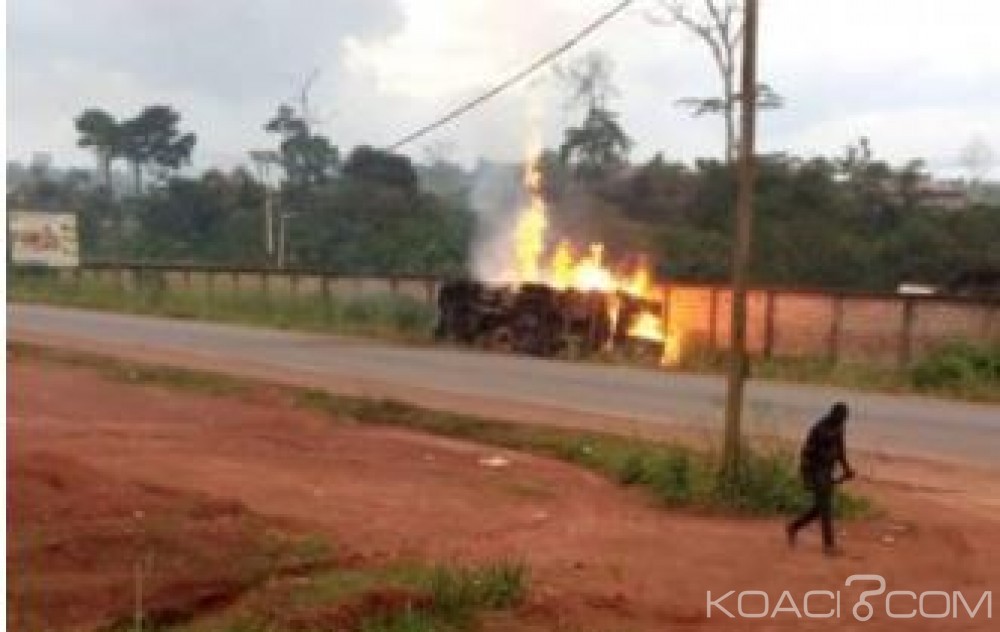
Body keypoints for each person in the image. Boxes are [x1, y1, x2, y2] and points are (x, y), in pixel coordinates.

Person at [787, 402, 855, 556]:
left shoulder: (838, 428)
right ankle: (829, 546)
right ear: (834, 414)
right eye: (842, 417)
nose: (843, 420)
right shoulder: (819, 428)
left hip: (827, 472)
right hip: (817, 472)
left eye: (845, 418)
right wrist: (806, 479)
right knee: (826, 509)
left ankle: (794, 526)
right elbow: (805, 455)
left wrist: (847, 469)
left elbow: (840, 451)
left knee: (820, 509)